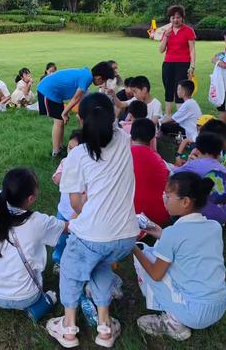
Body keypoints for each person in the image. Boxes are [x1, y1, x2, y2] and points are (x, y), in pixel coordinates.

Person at [46, 93, 139, 348]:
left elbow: (76, 204)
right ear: (113, 118)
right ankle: (105, 328)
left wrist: (89, 210)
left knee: (71, 271)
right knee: (100, 266)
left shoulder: (76, 156)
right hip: (126, 237)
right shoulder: (124, 140)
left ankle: (68, 329)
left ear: (80, 119)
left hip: (92, 237)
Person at [133, 172, 226, 341]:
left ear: (185, 202)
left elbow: (156, 274)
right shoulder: (214, 227)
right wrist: (160, 233)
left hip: (195, 312)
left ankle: (173, 322)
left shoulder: (173, 234)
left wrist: (132, 248)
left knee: (145, 253)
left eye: (168, 196)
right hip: (219, 305)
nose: (164, 199)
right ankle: (178, 315)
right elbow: (188, 245)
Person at [0, 168, 66, 309]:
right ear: (31, 198)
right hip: (28, 297)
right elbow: (67, 227)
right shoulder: (39, 222)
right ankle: (32, 305)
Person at [37, 62, 115, 157]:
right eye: (104, 80)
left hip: (54, 92)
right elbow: (76, 98)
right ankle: (56, 152)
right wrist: (65, 113)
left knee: (60, 121)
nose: (103, 83)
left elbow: (83, 97)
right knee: (58, 121)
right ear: (99, 78)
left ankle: (60, 146)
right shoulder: (86, 78)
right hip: (48, 91)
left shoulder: (86, 75)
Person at [173, 132, 226, 224]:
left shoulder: (194, 165)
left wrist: (188, 162)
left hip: (208, 217)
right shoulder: (222, 167)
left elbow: (173, 175)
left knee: (177, 191)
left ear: (197, 149)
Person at [51, 129, 83, 272]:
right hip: (63, 212)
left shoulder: (87, 167)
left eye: (76, 150)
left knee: (79, 241)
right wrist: (63, 176)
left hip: (82, 214)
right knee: (61, 239)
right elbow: (56, 178)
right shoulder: (65, 162)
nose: (72, 152)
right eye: (69, 148)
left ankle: (77, 263)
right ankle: (58, 260)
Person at [131, 118, 170, 226]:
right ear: (153, 137)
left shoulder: (122, 157)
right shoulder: (160, 161)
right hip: (159, 217)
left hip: (128, 216)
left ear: (131, 134)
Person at [159, 5, 196, 117]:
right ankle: (168, 115)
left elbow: (192, 50)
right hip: (168, 64)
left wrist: (192, 66)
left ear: (182, 18)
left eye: (178, 17)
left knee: (181, 90)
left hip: (183, 64)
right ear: (170, 18)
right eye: (173, 17)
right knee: (168, 89)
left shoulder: (188, 31)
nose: (175, 20)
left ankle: (181, 116)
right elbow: (161, 50)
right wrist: (166, 36)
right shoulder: (166, 31)